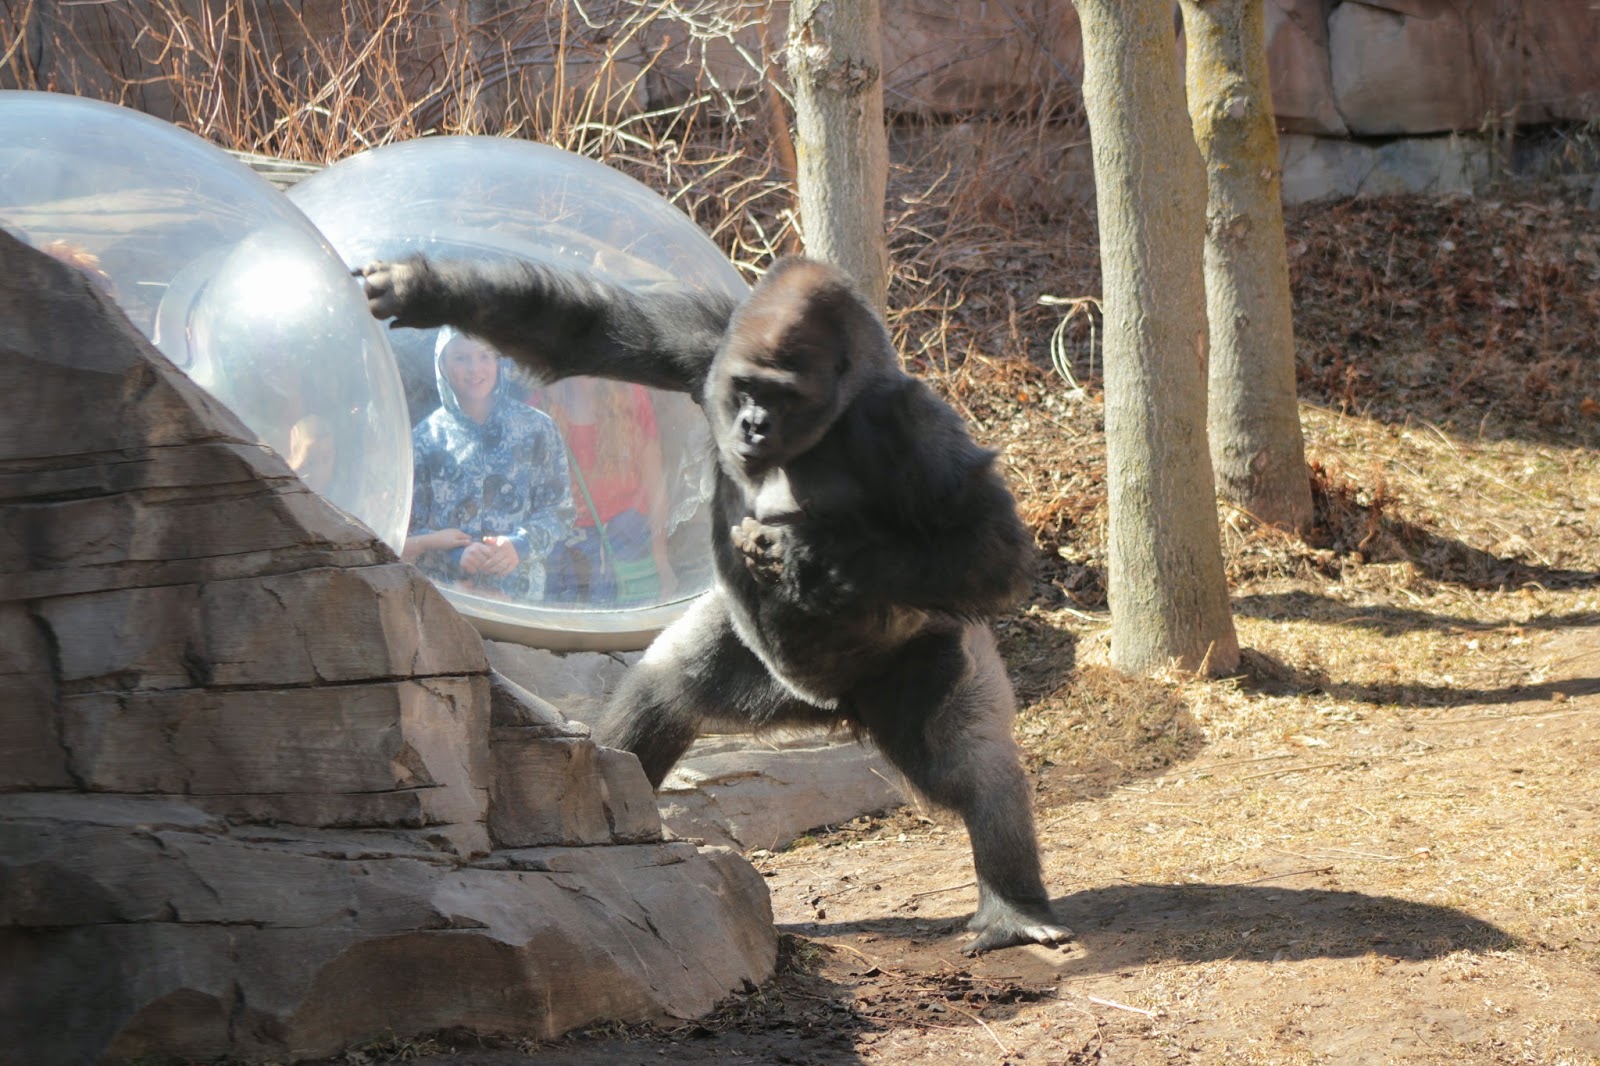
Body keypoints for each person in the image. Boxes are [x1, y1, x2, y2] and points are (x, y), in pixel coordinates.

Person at [403, 327, 574, 600]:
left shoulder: (537, 428)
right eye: (461, 358)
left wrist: (520, 545)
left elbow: (560, 511)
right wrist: (457, 553)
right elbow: (409, 525)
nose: (475, 368)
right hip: (450, 600)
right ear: (442, 365)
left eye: (485, 356)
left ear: (500, 361)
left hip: (520, 600)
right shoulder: (425, 439)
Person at [535, 376, 679, 605]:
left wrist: (661, 558)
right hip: (569, 555)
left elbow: (655, 484)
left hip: (627, 544)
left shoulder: (631, 395)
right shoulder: (542, 403)